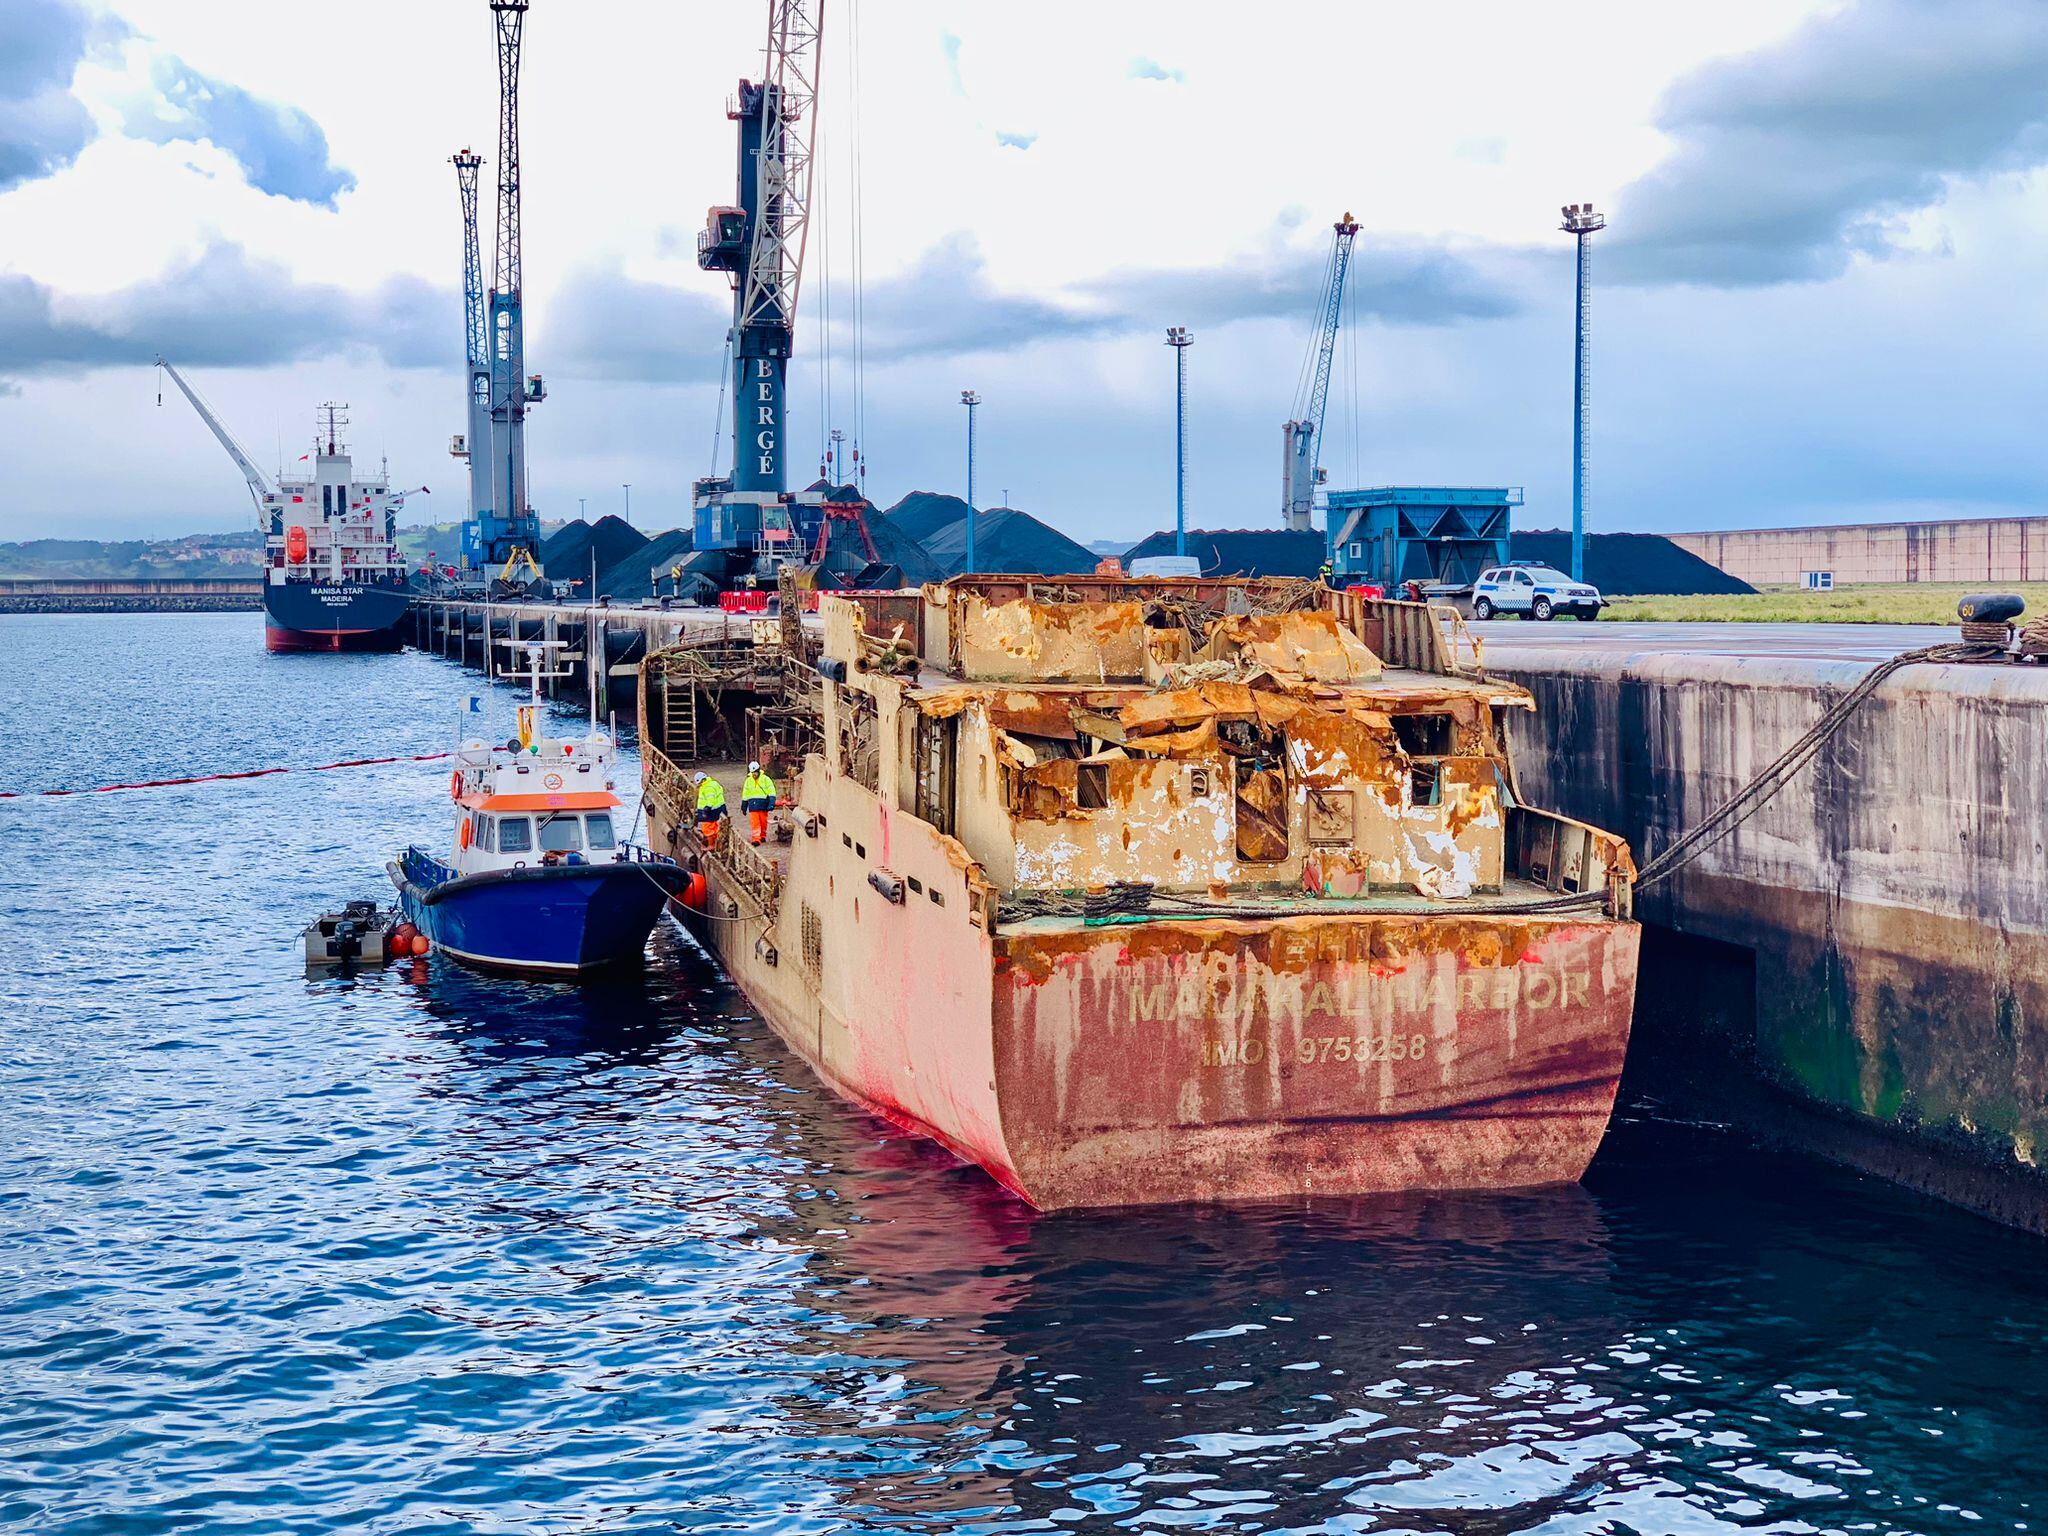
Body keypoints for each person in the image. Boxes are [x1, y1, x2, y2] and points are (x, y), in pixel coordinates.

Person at [741, 760, 778, 846]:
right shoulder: (748, 781)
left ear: (758, 771)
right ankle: (756, 839)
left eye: (755, 772)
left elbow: (771, 791)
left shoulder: (766, 779)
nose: (754, 774)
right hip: (753, 805)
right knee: (755, 823)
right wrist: (744, 806)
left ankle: (762, 836)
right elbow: (745, 794)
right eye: (752, 773)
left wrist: (771, 803)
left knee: (763, 822)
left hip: (763, 804)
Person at [694, 771, 727, 849]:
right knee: (715, 827)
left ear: (702, 781)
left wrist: (706, 809)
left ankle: (711, 845)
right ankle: (716, 844)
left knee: (707, 828)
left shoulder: (707, 787)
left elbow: (710, 799)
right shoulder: (713, 783)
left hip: (710, 811)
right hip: (718, 808)